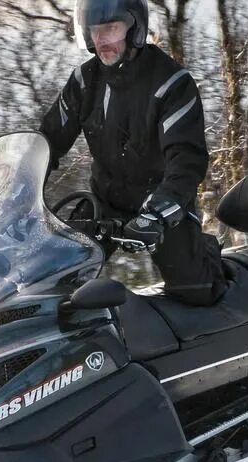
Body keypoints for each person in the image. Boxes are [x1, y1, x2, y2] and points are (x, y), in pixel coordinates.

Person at [40, 0, 227, 306]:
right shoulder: (84, 82)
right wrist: (16, 181)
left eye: (111, 28)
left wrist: (157, 213)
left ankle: (206, 252)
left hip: (160, 206)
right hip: (104, 202)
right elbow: (48, 140)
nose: (101, 40)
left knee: (197, 292)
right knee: (55, 278)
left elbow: (186, 161)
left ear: (134, 27)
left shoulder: (172, 84)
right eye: (95, 30)